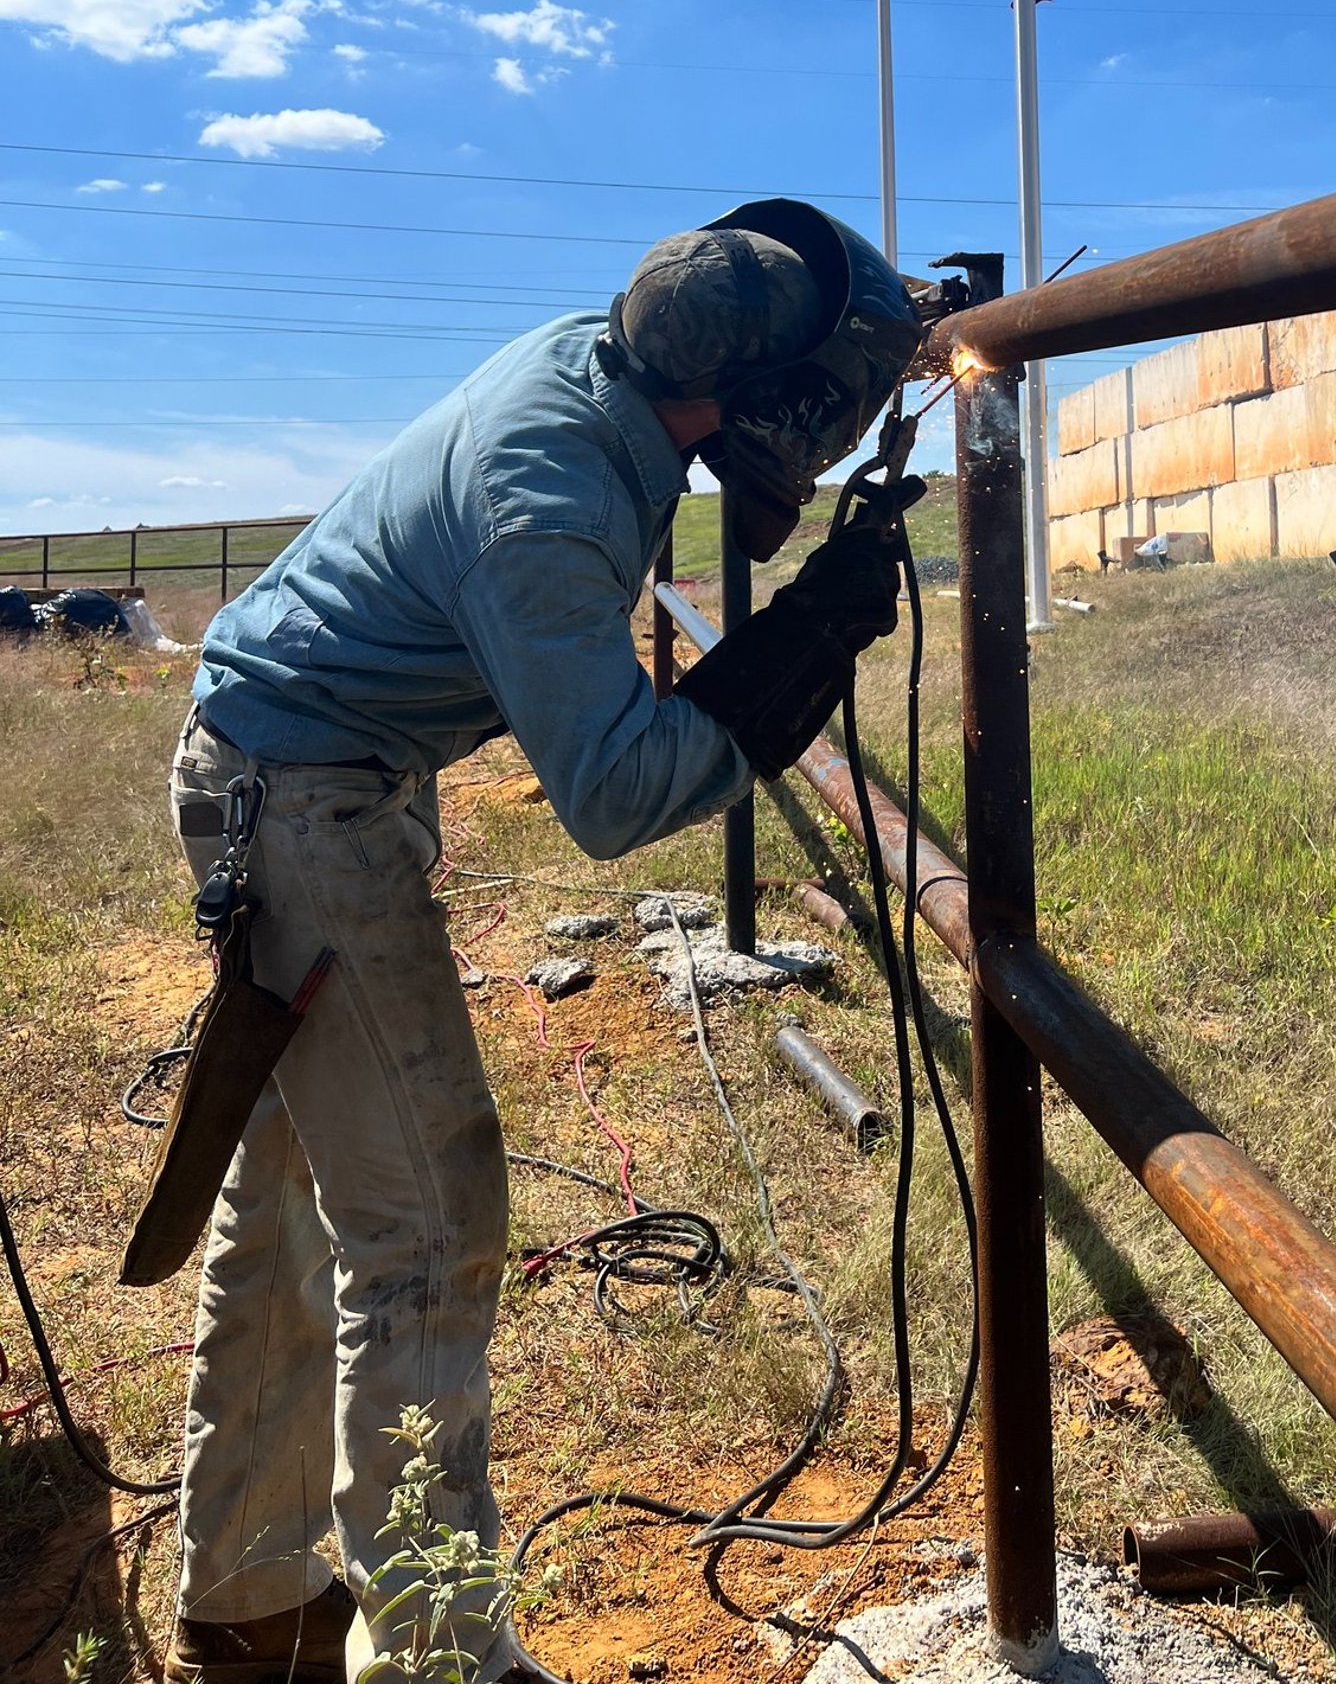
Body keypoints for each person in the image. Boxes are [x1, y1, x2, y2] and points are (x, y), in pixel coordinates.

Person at [160, 200, 922, 1684]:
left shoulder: (609, 358)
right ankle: (446, 1658)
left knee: (295, 1211)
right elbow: (618, 792)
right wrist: (798, 655)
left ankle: (249, 1597)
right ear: (759, 390)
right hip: (306, 799)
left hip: (281, 764)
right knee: (428, 1229)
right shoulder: (551, 502)